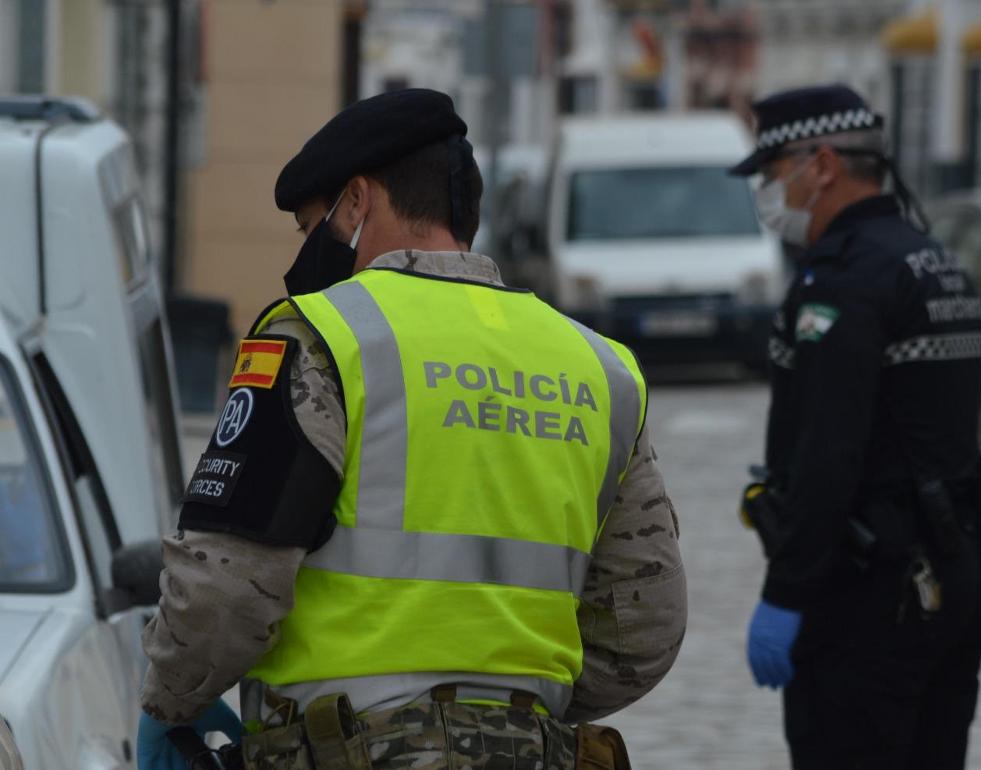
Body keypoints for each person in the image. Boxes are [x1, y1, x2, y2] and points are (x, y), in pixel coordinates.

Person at [137, 88, 686, 769]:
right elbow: (643, 627)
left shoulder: (321, 338)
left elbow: (224, 592)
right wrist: (496, 721)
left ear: (359, 203)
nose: (308, 251)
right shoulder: (602, 370)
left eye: (313, 226)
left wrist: (166, 703)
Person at [731, 85, 981, 769]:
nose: (769, 192)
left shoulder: (843, 281)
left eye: (772, 174)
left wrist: (787, 594)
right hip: (955, 565)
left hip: (873, 591)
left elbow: (832, 450)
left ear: (821, 164)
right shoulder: (932, 260)